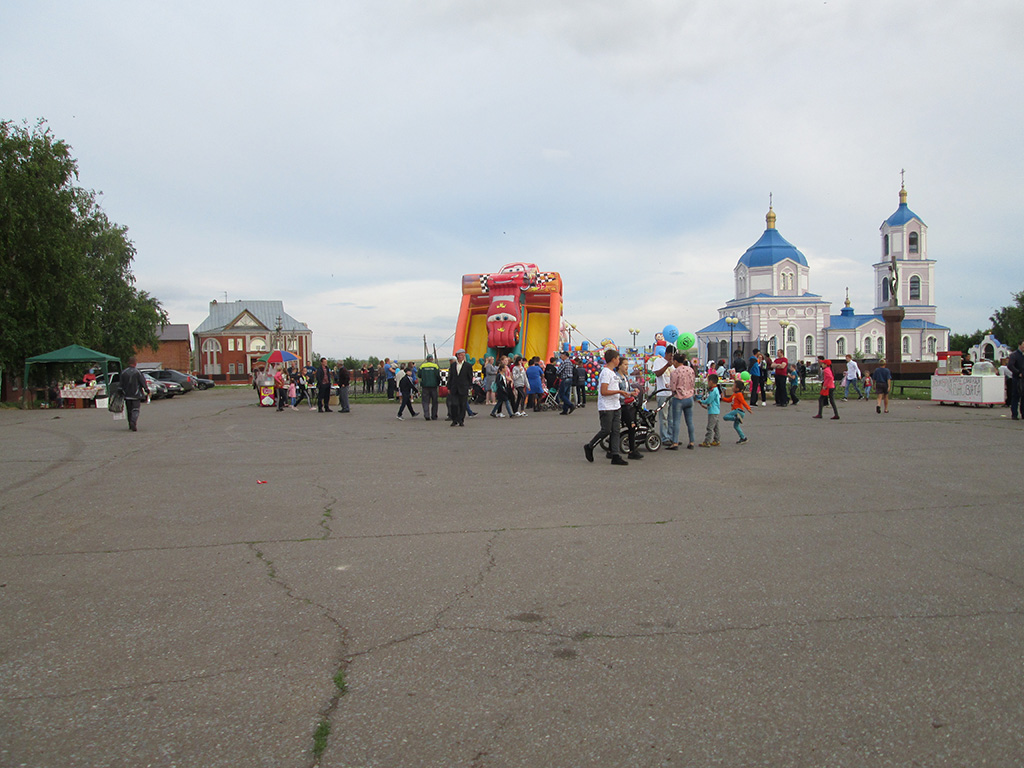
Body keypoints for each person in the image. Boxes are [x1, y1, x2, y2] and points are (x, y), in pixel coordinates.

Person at [583, 348, 634, 465]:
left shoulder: (613, 373)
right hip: (606, 407)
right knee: (606, 430)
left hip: (616, 406)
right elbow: (604, 391)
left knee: (616, 431)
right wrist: (619, 392)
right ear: (613, 359)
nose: (619, 361)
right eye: (618, 359)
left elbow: (614, 389)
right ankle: (590, 446)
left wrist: (626, 393)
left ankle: (615, 455)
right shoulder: (606, 373)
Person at [666, 352, 696, 450]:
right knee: (690, 421)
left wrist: (669, 387)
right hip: (689, 397)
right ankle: (692, 442)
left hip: (679, 398)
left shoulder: (675, 372)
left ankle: (675, 442)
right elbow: (693, 383)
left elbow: (673, 387)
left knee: (676, 421)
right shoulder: (690, 370)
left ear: (675, 361)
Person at [615, 358, 643, 460]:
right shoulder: (617, 378)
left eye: (627, 364)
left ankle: (632, 449)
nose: (627, 367)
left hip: (628, 404)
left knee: (632, 426)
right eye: (625, 364)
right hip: (621, 405)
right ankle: (631, 450)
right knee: (630, 425)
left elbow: (628, 389)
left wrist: (634, 390)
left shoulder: (625, 377)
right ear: (619, 365)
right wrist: (628, 395)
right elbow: (617, 392)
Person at [649, 346, 674, 446]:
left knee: (671, 417)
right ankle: (664, 437)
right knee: (664, 417)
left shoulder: (673, 364)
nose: (671, 358)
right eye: (670, 355)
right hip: (662, 394)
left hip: (671, 393)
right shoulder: (659, 361)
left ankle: (672, 437)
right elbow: (658, 374)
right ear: (666, 354)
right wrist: (667, 365)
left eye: (673, 356)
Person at [120, 356, 149, 432]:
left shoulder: (123, 372)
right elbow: (142, 382)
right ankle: (133, 421)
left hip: (127, 395)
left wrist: (121, 392)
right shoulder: (138, 372)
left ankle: (130, 424)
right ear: (135, 363)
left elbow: (120, 384)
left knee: (129, 410)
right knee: (135, 409)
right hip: (136, 395)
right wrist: (146, 389)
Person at [721, 379, 753, 444]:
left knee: (725, 417)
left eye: (733, 386)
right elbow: (729, 400)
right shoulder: (734, 394)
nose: (732, 387)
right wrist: (723, 398)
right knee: (736, 426)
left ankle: (736, 418)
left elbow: (743, 401)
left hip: (738, 411)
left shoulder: (739, 394)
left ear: (737, 388)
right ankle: (743, 438)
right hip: (739, 413)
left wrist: (748, 408)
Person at [447, 349, 473, 427]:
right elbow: (450, 377)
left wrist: (469, 387)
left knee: (462, 405)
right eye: (460, 355)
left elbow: (470, 377)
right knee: (454, 404)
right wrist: (449, 387)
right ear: (457, 356)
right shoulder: (453, 365)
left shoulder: (468, 366)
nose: (461, 356)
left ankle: (461, 420)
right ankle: (454, 420)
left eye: (463, 355)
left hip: (463, 388)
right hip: (454, 388)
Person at [697, 372, 721, 447]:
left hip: (712, 411)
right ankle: (717, 439)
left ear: (711, 381)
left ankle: (707, 441)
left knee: (710, 427)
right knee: (716, 427)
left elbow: (709, 400)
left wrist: (702, 401)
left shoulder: (713, 391)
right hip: (715, 410)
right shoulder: (716, 390)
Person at [418, 355, 440, 421]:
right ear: (432, 359)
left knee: (425, 401)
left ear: (426, 359)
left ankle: (426, 415)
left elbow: (419, 375)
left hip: (425, 386)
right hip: (434, 386)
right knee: (434, 401)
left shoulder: (422, 366)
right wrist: (438, 383)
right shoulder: (435, 366)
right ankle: (434, 415)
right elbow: (438, 376)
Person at [1008, 340, 1024, 420]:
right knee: (1015, 396)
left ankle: (1023, 413)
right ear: (1019, 345)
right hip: (1017, 378)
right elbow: (1010, 365)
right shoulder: (1014, 355)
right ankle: (1014, 414)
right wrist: (1018, 372)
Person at [556, 350, 576, 415]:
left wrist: (557, 372)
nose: (561, 356)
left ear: (565, 356)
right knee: (566, 394)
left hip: (565, 379)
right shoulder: (570, 362)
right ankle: (565, 410)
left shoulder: (564, 362)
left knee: (561, 394)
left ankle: (571, 405)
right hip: (570, 379)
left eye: (562, 355)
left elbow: (559, 371)